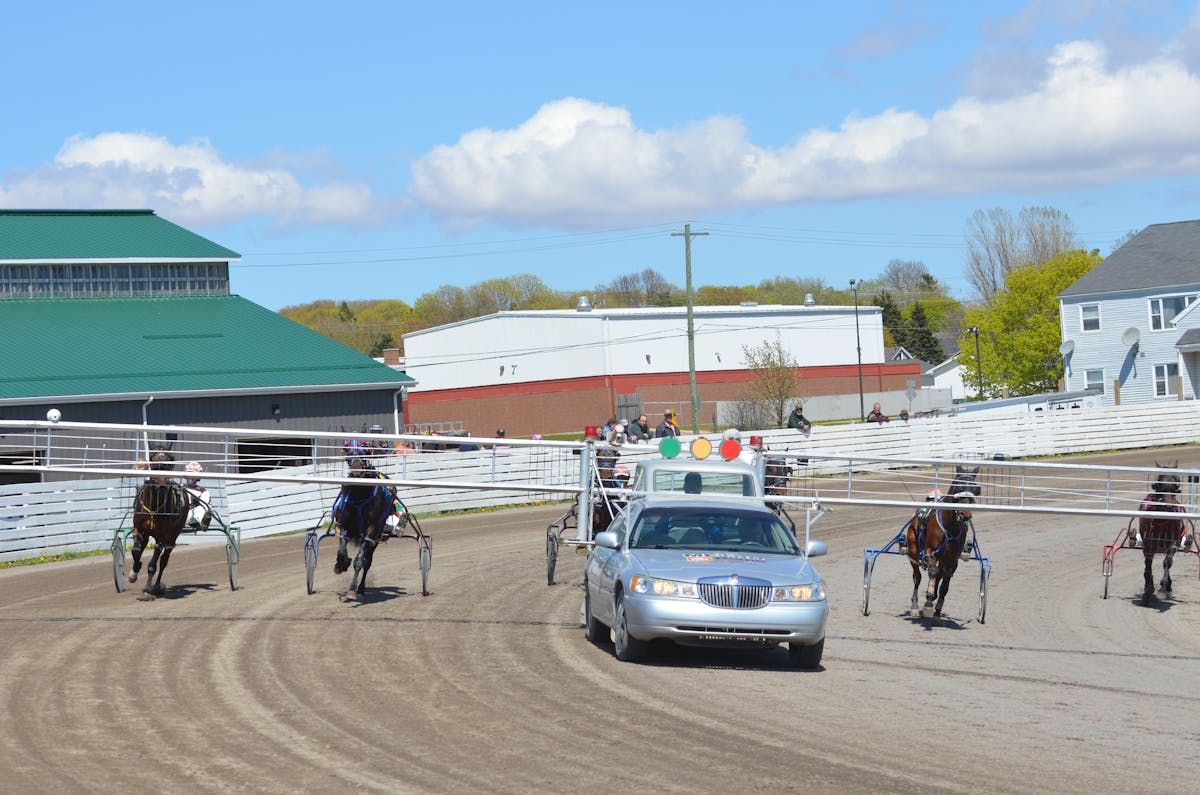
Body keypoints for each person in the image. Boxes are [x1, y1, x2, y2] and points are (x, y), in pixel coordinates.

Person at [182, 461, 212, 531]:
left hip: (193, 516)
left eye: (194, 475)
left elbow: (205, 506)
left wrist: (196, 503)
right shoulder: (179, 487)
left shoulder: (203, 491)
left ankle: (203, 523)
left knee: (199, 509)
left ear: (197, 478)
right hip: (180, 515)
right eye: (189, 474)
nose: (191, 477)